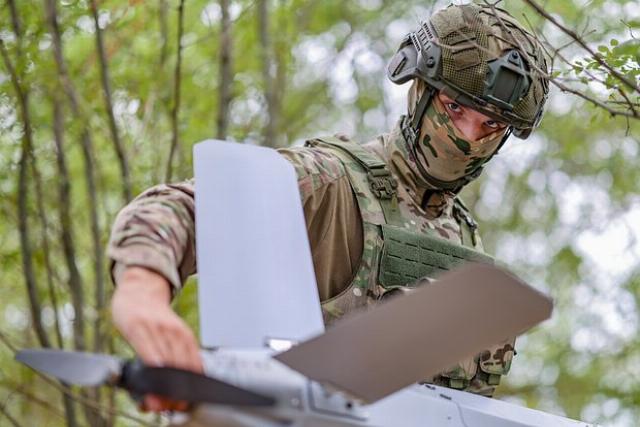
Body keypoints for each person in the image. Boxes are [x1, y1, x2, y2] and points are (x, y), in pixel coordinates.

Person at [108, 3, 550, 412]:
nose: (468, 137)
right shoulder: (331, 182)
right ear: (420, 89)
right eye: (454, 108)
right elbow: (182, 206)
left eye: (491, 125)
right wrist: (143, 292)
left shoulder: (467, 242)